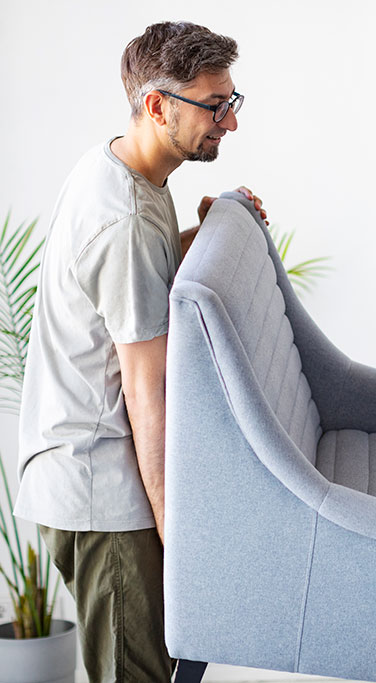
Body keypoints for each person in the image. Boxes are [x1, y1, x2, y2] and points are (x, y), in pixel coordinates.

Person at [15, 21, 266, 682]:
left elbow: (139, 282)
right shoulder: (121, 213)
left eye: (231, 102)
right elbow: (146, 391)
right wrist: (178, 537)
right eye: (215, 106)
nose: (229, 123)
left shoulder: (132, 171)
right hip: (100, 485)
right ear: (157, 106)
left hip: (101, 472)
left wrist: (203, 232)